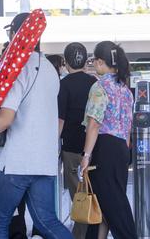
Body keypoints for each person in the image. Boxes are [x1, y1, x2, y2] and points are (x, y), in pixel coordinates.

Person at [0, 13, 72, 239]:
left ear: (16, 34)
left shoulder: (17, 69)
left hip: (16, 162)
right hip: (45, 162)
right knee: (47, 221)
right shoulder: (50, 69)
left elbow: (5, 118)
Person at [79, 41, 136, 239]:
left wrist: (86, 156)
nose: (93, 63)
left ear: (101, 61)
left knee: (113, 203)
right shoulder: (125, 90)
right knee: (106, 202)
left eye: (94, 60)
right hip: (121, 148)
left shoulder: (99, 87)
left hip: (104, 148)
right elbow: (128, 125)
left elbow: (94, 124)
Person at [58, 42, 97, 239]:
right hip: (95, 147)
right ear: (86, 61)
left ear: (65, 62)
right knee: (95, 194)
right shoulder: (94, 83)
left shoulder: (63, 85)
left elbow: (60, 119)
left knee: (79, 196)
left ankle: (81, 235)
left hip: (72, 149)